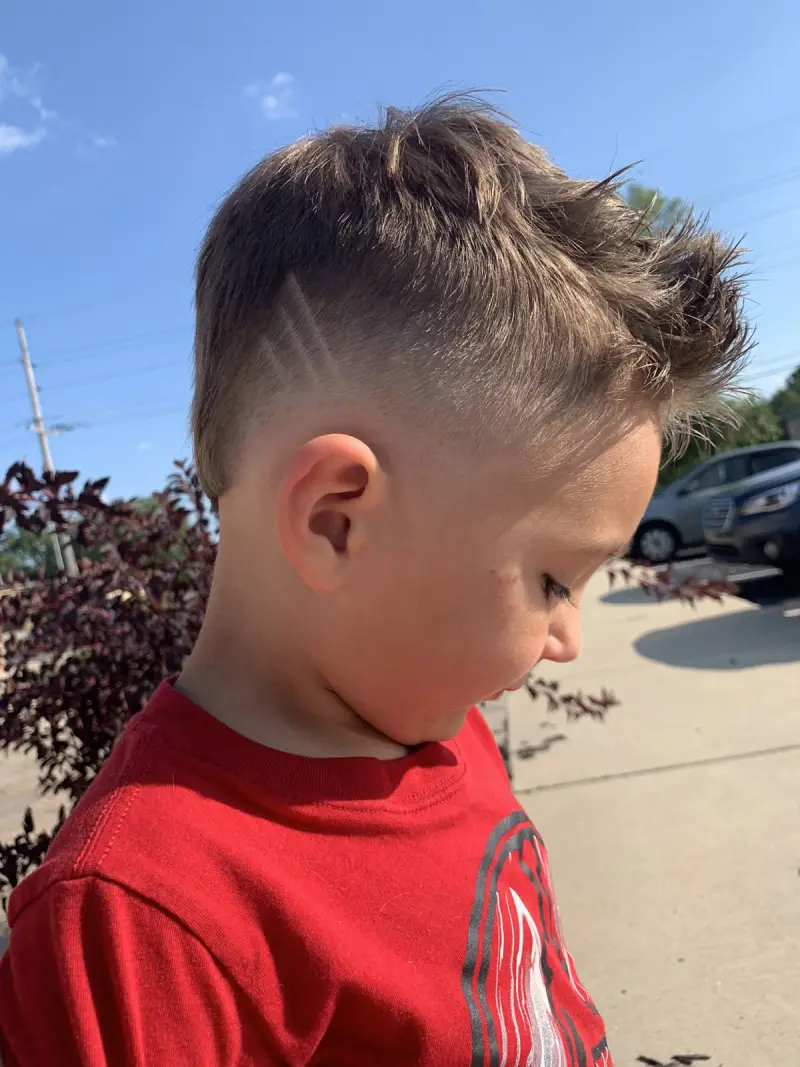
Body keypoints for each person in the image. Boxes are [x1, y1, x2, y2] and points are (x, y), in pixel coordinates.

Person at [0, 94, 749, 1067]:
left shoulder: (433, 724)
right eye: (554, 578)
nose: (566, 637)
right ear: (335, 520)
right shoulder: (142, 928)